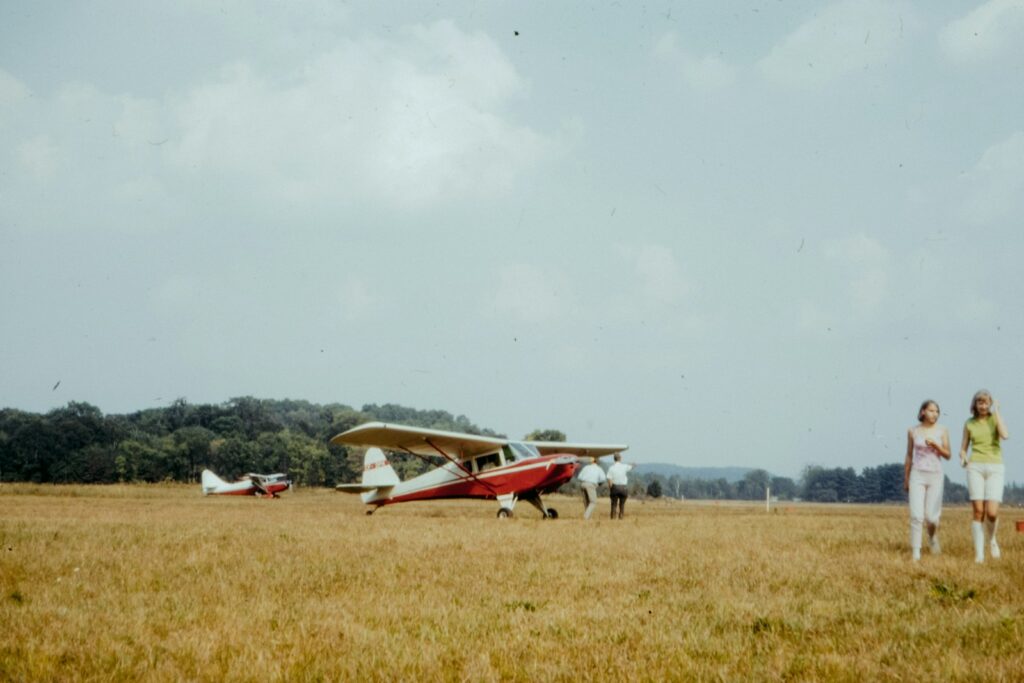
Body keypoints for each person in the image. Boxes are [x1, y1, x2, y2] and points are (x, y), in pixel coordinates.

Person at [959, 389, 1009, 563]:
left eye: (986, 402)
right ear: (975, 405)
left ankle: (992, 540)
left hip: (995, 466)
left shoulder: (994, 419)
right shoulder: (969, 423)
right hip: (975, 467)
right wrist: (963, 456)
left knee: (992, 513)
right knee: (978, 511)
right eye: (980, 402)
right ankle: (979, 554)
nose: (982, 405)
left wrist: (997, 412)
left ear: (990, 404)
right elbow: (964, 446)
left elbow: (1005, 435)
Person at [903, 400, 950, 561]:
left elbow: (948, 455)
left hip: (935, 475)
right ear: (922, 412)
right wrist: (906, 478)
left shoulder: (942, 431)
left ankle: (932, 537)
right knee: (917, 515)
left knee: (931, 517)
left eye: (937, 411)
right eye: (931, 411)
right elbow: (909, 455)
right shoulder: (912, 431)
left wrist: (936, 445)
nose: (934, 414)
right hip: (917, 474)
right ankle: (916, 552)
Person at [606, 452, 634, 519]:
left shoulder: (611, 468)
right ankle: (621, 517)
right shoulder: (624, 467)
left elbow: (609, 479)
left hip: (615, 487)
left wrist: (611, 488)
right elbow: (631, 467)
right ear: (620, 459)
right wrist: (633, 464)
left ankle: (613, 518)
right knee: (622, 505)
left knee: (614, 504)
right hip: (623, 488)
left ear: (614, 459)